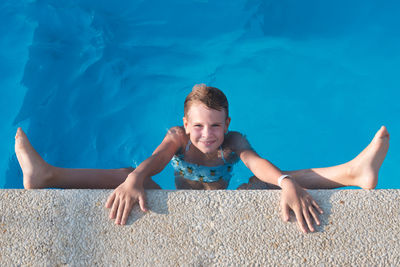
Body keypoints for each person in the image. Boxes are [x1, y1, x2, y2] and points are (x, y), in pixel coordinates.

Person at [14, 84, 390, 233]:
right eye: (199, 126)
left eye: (215, 126)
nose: (207, 135)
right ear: (185, 124)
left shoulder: (233, 142)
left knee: (265, 182)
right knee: (131, 174)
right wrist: (133, 180)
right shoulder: (178, 139)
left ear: (227, 123)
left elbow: (256, 161)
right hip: (176, 201)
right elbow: (156, 161)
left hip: (224, 200)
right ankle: (46, 175)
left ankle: (354, 172)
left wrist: (286, 182)